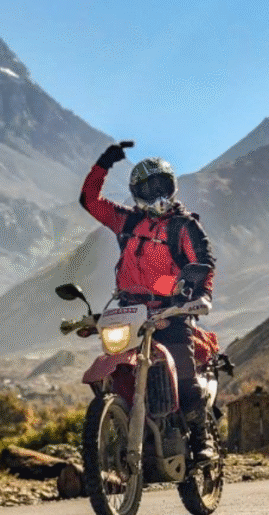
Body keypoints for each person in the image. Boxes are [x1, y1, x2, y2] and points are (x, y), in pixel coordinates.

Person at [80, 141, 218, 460]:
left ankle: (201, 439)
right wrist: (104, 163)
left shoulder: (183, 226)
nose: (155, 193)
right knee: (116, 371)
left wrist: (201, 296)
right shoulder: (127, 222)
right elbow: (89, 201)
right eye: (147, 188)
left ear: (172, 187)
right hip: (130, 311)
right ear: (136, 194)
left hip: (171, 312)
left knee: (183, 372)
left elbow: (203, 264)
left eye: (161, 185)